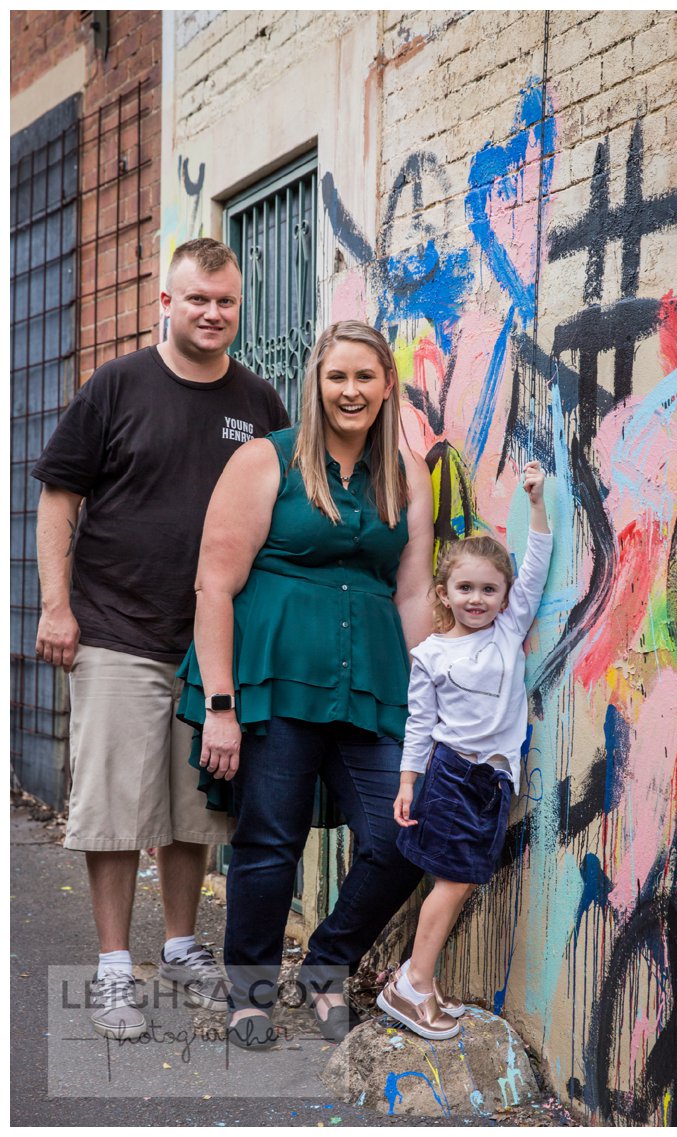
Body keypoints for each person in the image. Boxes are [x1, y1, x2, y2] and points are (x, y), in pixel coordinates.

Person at [30, 238, 290, 1040]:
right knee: (111, 804)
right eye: (198, 298)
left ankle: (179, 945)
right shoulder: (117, 385)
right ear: (165, 302)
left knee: (194, 806)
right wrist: (55, 605)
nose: (213, 313)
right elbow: (59, 501)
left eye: (226, 301)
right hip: (114, 625)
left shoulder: (261, 402)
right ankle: (114, 967)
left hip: (209, 644)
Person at [179, 320, 435, 1049]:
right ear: (316, 383)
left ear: (388, 385)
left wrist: (428, 709)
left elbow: (413, 594)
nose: (350, 391)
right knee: (270, 840)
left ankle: (327, 963)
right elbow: (214, 584)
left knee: (400, 835)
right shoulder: (269, 459)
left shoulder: (406, 472)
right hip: (274, 678)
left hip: (373, 683)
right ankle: (250, 991)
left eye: (365, 377)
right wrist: (222, 706)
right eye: (337, 377)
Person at [381, 463, 554, 1039]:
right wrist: (408, 783)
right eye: (465, 588)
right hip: (452, 776)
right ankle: (412, 988)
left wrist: (535, 503)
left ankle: (420, 982)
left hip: (494, 783)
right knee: (450, 885)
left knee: (459, 883)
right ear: (444, 593)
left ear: (504, 597)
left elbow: (535, 564)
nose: (477, 599)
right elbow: (420, 725)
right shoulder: (431, 654)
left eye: (489, 589)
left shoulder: (507, 631)